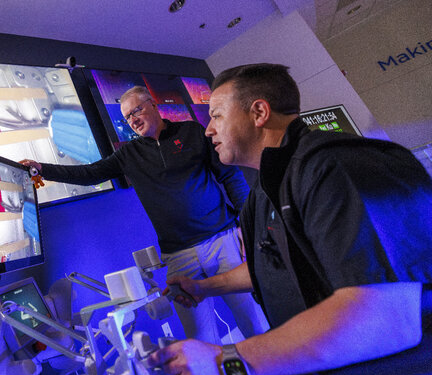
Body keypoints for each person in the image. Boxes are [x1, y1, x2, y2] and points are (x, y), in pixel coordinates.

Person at [149, 63, 432, 375]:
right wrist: (204, 287)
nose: (208, 130)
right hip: (310, 373)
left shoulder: (335, 166)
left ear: (258, 112)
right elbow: (272, 266)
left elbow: (386, 317)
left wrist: (228, 363)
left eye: (217, 116)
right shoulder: (262, 193)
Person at [20, 85, 269, 344]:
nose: (133, 120)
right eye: (128, 116)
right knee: (199, 337)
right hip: (179, 255)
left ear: (153, 104)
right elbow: (89, 174)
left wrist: (247, 226)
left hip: (222, 241)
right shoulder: (129, 154)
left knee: (252, 319)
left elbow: (230, 176)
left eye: (137, 110)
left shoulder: (192, 132)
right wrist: (42, 169)